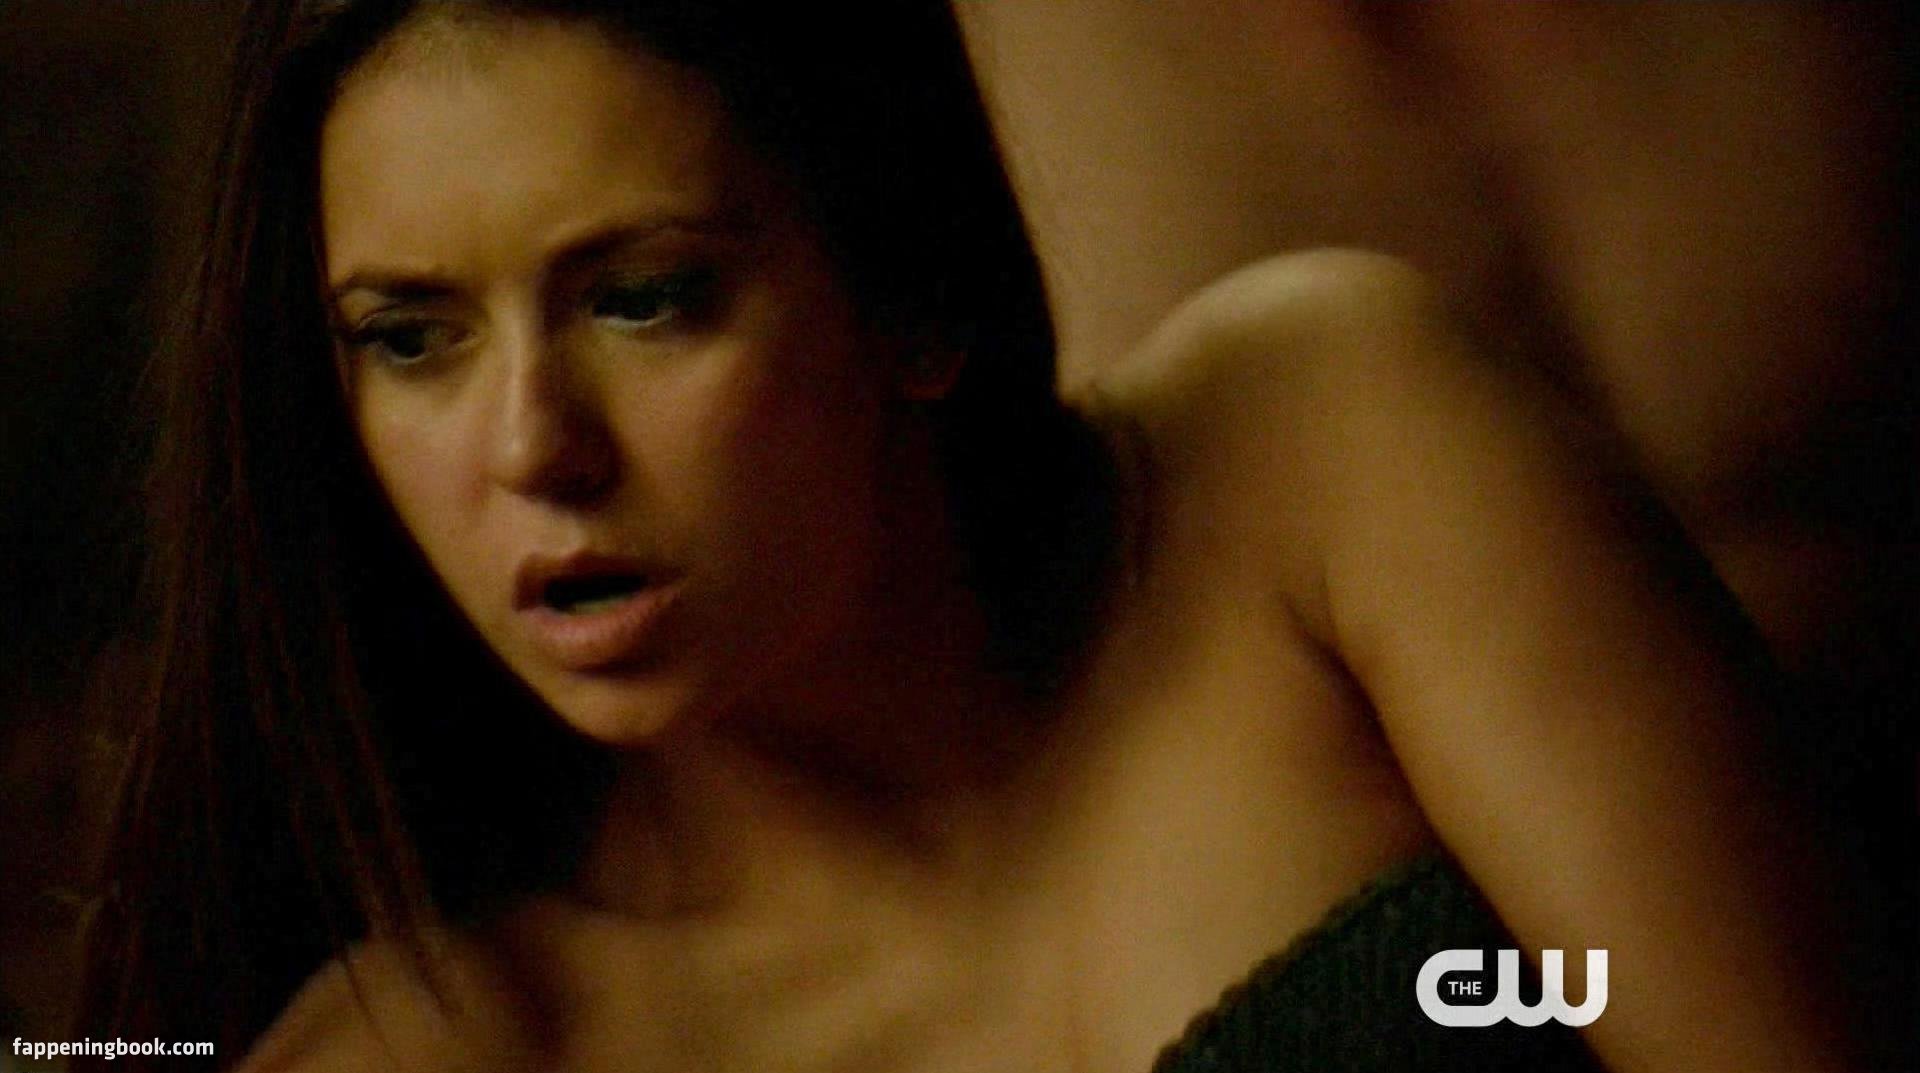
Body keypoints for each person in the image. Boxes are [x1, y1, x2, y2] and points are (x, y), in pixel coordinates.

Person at [75, 1, 1868, 1071]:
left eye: (646, 298)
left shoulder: (1324, 451)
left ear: (909, 284)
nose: (533, 447)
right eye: (412, 338)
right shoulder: (464, 1045)